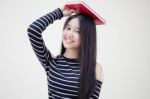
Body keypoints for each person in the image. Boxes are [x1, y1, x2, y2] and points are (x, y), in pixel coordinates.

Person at [27, 5, 103, 99]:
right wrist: (59, 13)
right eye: (68, 28)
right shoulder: (51, 62)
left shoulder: (94, 69)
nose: (69, 34)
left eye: (77, 31)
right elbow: (33, 30)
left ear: (86, 37)